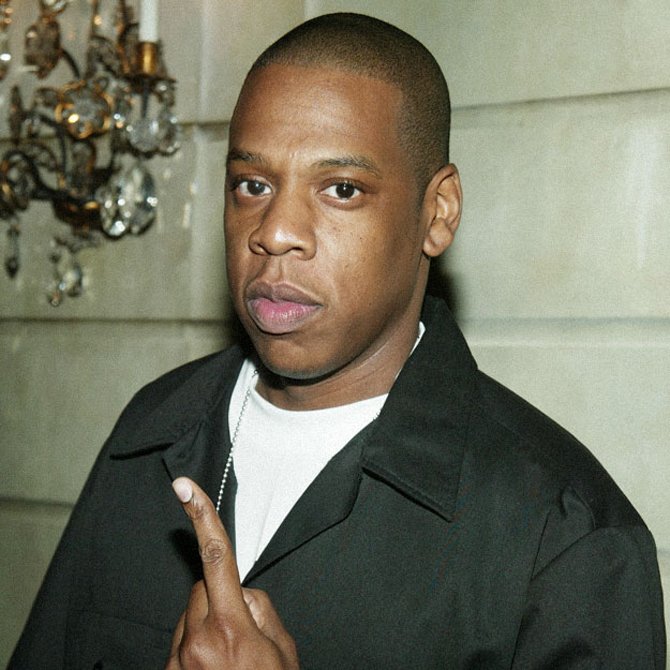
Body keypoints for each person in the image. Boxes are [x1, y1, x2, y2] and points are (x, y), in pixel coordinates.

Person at [9, 12, 666, 670]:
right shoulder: (153, 429)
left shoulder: (564, 534)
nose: (275, 231)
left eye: (342, 189)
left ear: (437, 213)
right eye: (253, 185)